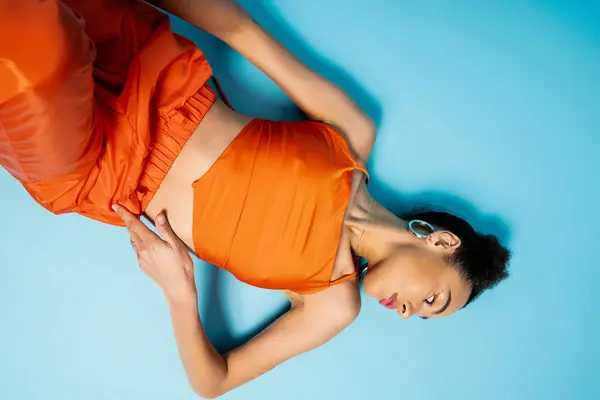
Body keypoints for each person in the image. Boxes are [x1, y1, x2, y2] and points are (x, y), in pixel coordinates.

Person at [0, 0, 510, 397]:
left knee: (35, 52)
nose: (406, 313)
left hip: (97, 168)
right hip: (147, 67)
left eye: (420, 316)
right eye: (431, 300)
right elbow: (242, 32)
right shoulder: (353, 135)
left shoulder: (333, 303)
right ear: (442, 242)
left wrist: (180, 290)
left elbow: (214, 382)